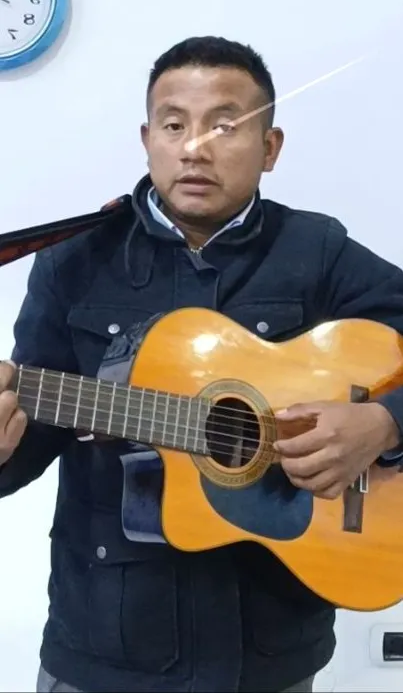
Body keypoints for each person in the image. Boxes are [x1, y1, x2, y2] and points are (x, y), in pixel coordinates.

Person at [1, 36, 403, 693]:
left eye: (225, 124)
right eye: (174, 124)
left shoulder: (318, 251)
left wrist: (382, 423)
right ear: (147, 138)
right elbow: (30, 439)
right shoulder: (72, 259)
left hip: (267, 653)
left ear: (269, 147)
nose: (195, 147)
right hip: (106, 649)